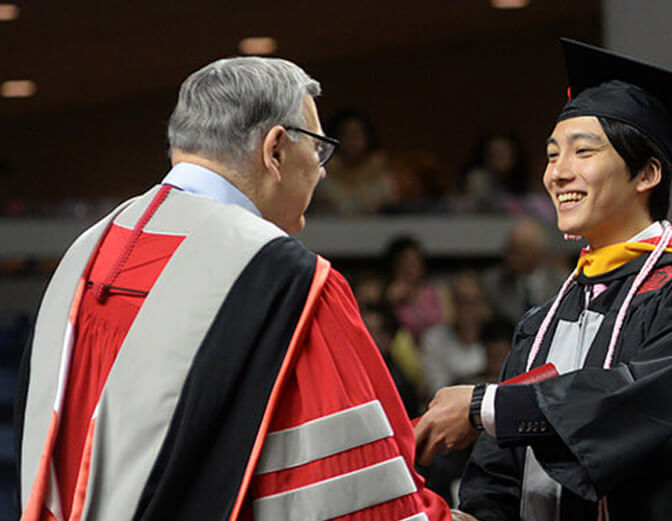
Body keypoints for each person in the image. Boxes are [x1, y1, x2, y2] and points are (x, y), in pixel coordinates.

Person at [14, 57, 449, 521]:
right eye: (318, 149)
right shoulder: (287, 280)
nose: (322, 171)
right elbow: (356, 490)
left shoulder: (89, 252)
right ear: (276, 150)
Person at [415, 39, 672, 521]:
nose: (557, 173)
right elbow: (501, 472)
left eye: (582, 152)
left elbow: (642, 404)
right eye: (553, 155)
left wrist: (485, 406)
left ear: (647, 173)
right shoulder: (544, 319)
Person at [481, 218, 568, 323]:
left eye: (518, 252)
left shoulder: (562, 283)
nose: (509, 257)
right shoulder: (493, 283)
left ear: (537, 254)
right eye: (509, 250)